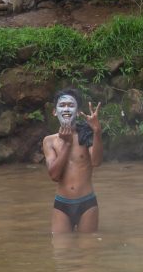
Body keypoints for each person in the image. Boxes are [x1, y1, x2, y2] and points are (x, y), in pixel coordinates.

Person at [42, 89, 103, 233]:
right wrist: (68, 144)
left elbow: (96, 162)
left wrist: (97, 132)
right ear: (54, 112)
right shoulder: (49, 141)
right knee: (60, 246)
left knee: (88, 245)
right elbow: (54, 175)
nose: (66, 109)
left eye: (71, 105)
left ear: (78, 111)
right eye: (62, 105)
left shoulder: (86, 134)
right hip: (62, 204)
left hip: (87, 203)